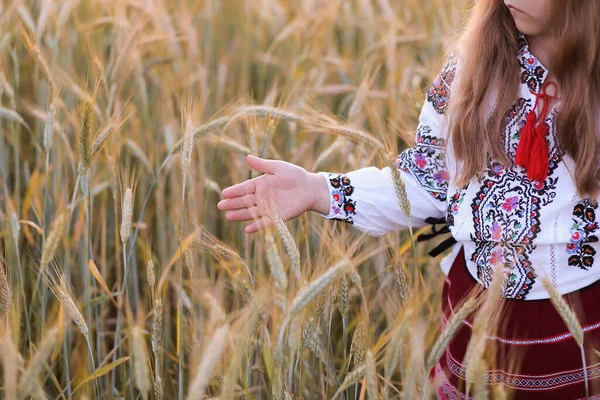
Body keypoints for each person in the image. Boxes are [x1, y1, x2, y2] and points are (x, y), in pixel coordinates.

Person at [217, 1, 600, 398]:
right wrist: (320, 190)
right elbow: (424, 180)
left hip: (581, 331)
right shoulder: (472, 68)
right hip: (476, 320)